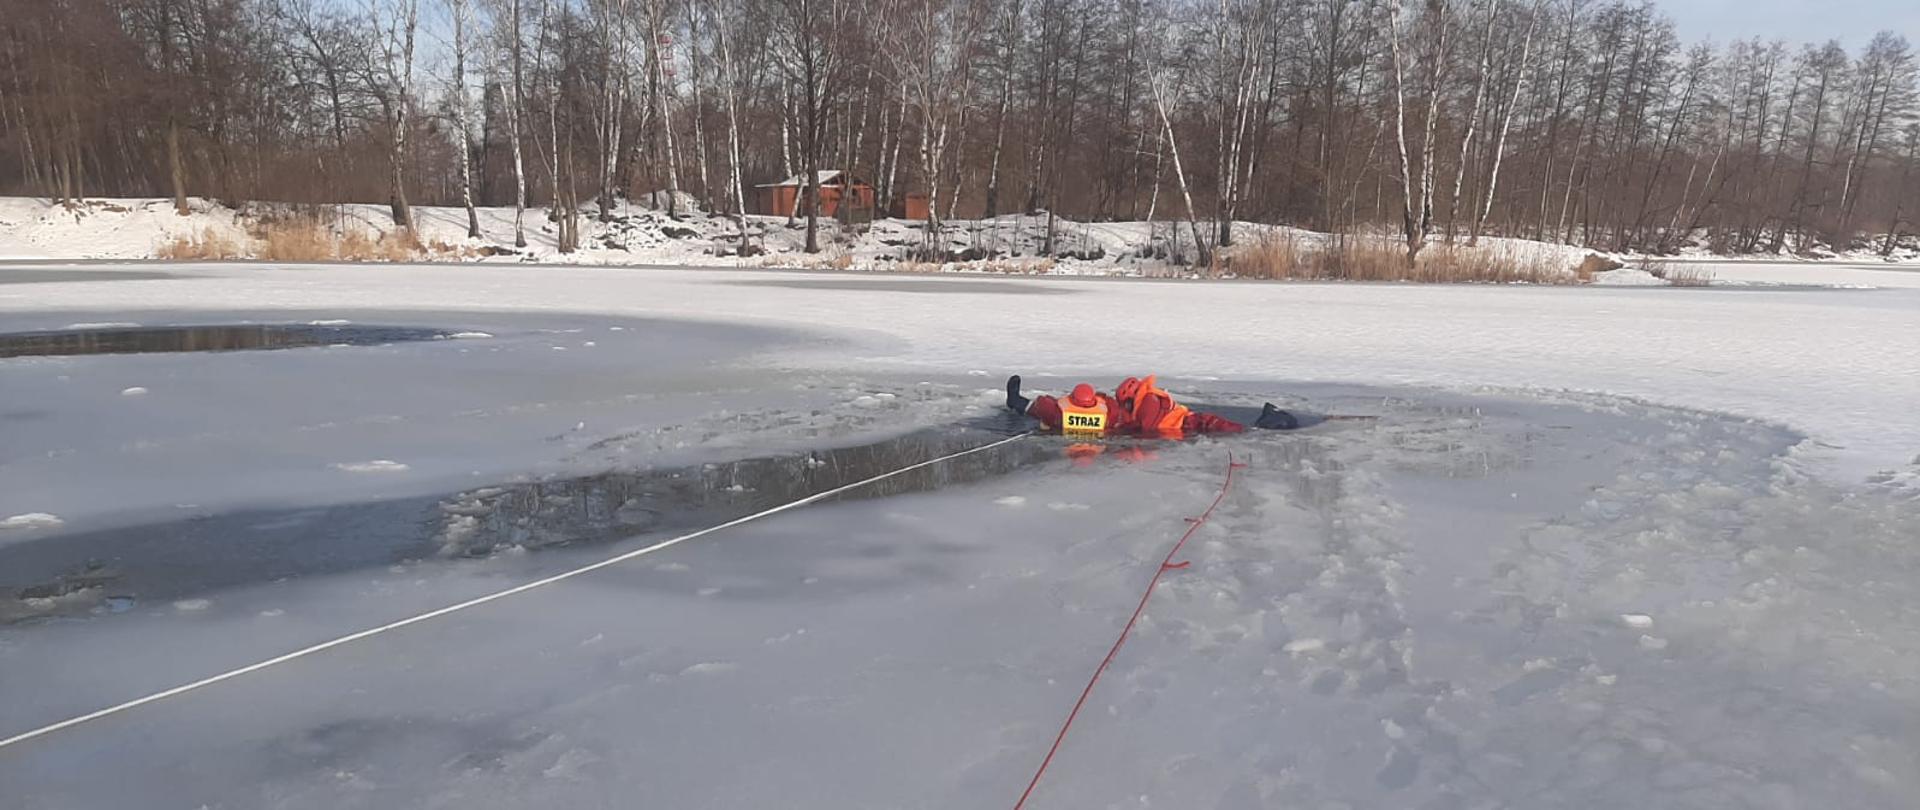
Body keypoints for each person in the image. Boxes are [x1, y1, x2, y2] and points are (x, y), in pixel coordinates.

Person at [1006, 375, 1300, 437]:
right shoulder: (1112, 411)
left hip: (1179, 424)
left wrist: (1021, 404)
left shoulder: (1066, 412)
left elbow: (1041, 408)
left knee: (1215, 424)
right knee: (1213, 423)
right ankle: (1260, 427)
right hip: (1184, 423)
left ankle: (1259, 428)